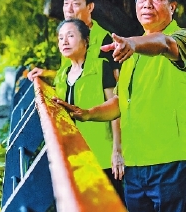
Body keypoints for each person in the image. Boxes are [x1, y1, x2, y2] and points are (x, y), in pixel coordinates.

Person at [53, 0, 186, 212]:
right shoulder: (130, 53)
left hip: (173, 162)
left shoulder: (184, 39)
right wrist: (86, 113)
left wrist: (133, 44)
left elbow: (164, 44)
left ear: (173, 7)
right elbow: (122, 103)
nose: (147, 4)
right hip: (136, 167)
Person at [27, 18, 125, 202]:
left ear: (86, 41)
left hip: (103, 157)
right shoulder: (62, 77)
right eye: (60, 38)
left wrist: (117, 150)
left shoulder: (100, 67)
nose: (64, 41)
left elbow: (115, 109)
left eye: (70, 36)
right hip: (76, 158)